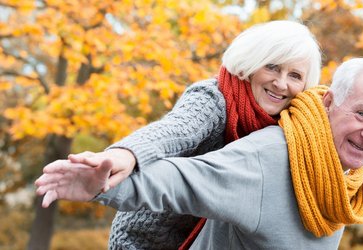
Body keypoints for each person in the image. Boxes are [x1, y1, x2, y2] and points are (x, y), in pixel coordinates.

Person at [35, 58, 363, 249]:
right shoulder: (271, 158)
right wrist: (99, 184)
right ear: (329, 103)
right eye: (361, 114)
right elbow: (182, 178)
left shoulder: (344, 182)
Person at [55, 20, 322, 249]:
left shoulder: (286, 127)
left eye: (295, 75)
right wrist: (124, 154)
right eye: (272, 66)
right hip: (145, 242)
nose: (281, 83)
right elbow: (176, 129)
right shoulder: (215, 99)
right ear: (252, 64)